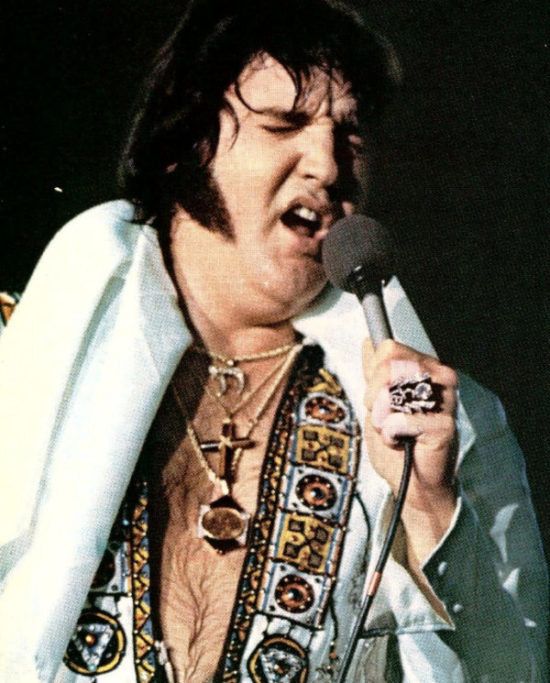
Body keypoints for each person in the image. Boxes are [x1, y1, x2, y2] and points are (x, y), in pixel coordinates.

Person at [0, 1, 547, 681]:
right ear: (185, 144)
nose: (328, 164)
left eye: (350, 134)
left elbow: (516, 669)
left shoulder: (454, 427)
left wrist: (430, 506)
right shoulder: (22, 366)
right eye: (283, 123)